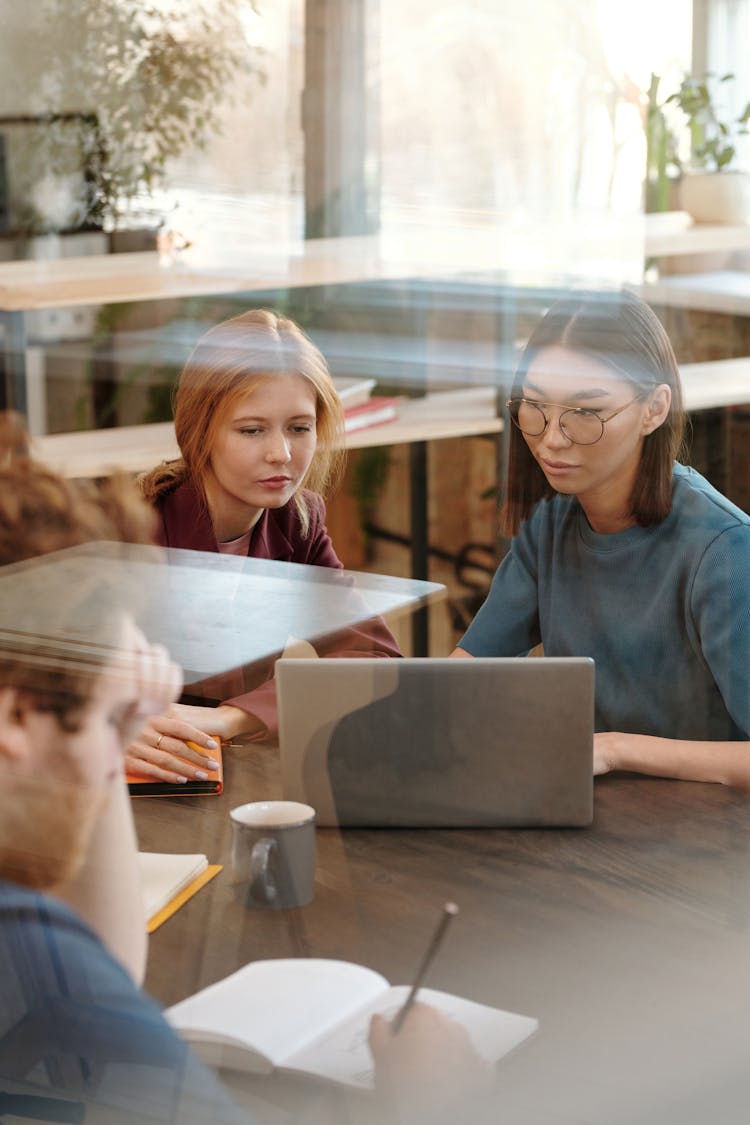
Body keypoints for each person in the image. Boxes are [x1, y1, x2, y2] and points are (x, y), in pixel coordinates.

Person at [0, 417, 494, 1125]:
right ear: (17, 720)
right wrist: (434, 1106)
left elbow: (105, 975)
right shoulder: (20, 934)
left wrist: (107, 709)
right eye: (115, 719)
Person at [454, 288, 750, 787]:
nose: (552, 437)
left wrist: (615, 750)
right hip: (591, 816)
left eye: (586, 413)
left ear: (654, 409)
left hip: (707, 841)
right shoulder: (551, 525)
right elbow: (463, 677)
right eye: (534, 407)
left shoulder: (723, 551)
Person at [128, 309, 401, 785]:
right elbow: (49, 682)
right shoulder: (134, 530)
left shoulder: (297, 522)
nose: (282, 454)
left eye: (299, 427)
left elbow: (373, 660)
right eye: (252, 430)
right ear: (200, 432)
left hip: (228, 768)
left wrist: (233, 718)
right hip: (130, 778)